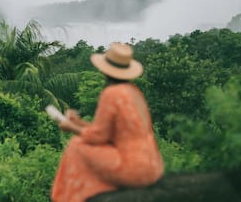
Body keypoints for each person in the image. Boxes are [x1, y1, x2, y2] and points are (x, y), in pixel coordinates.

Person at [51, 42, 164, 202]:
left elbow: (99, 137)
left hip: (132, 167)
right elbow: (109, 133)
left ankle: (67, 198)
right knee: (81, 142)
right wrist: (79, 123)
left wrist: (70, 127)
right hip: (152, 166)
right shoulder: (134, 92)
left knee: (76, 146)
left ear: (105, 70)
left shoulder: (111, 93)